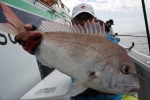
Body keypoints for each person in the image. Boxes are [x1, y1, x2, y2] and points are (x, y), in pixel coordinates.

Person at [15, 3, 137, 100]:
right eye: (79, 19)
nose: (84, 22)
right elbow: (56, 48)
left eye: (87, 18)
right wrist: (37, 39)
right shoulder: (66, 36)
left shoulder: (109, 42)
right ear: (72, 22)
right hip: (80, 97)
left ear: (94, 19)